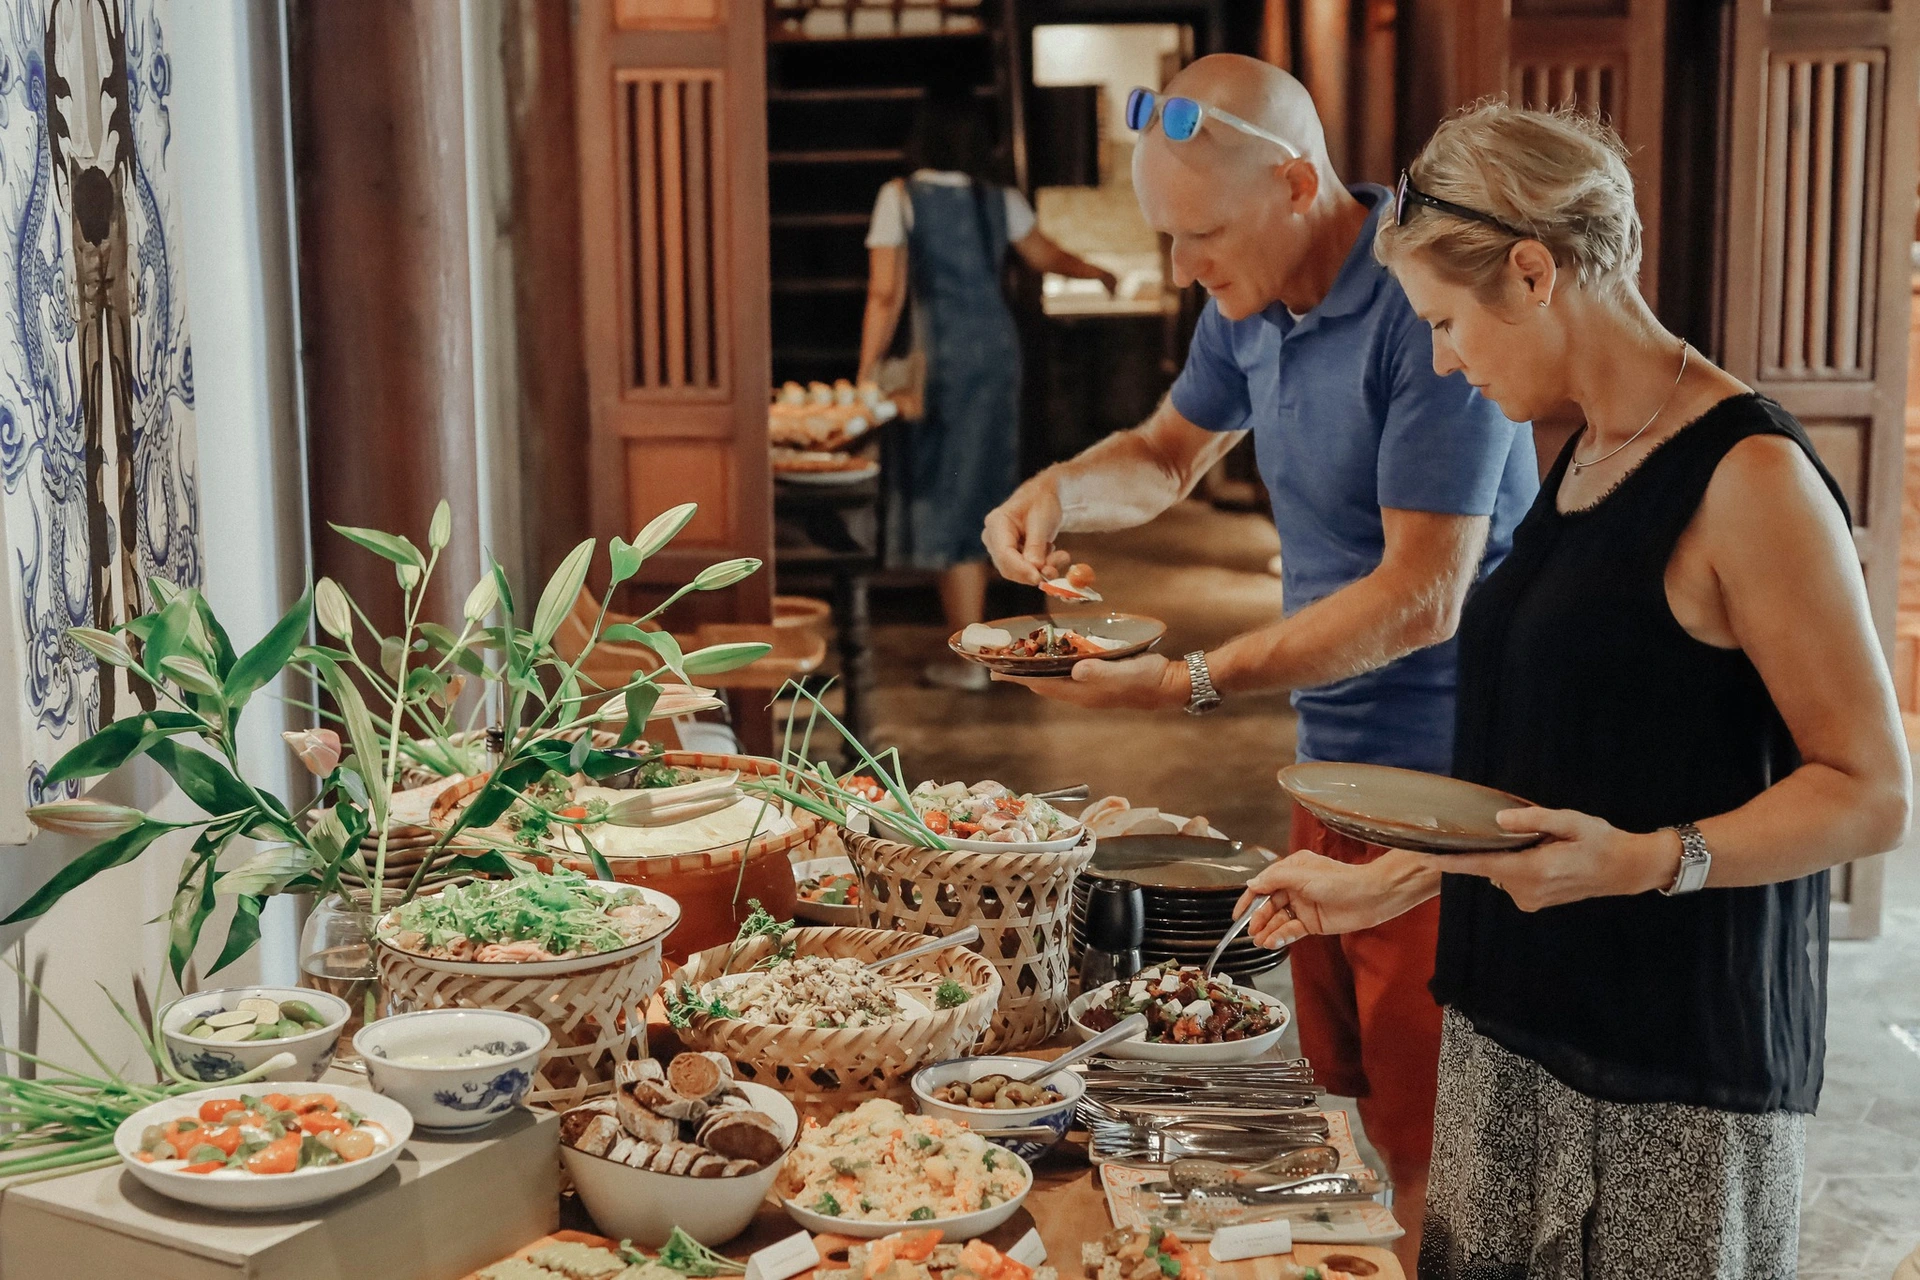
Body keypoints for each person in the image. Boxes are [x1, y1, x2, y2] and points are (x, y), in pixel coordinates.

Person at [1238, 103, 1911, 1278]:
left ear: (1535, 272)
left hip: (1667, 1072)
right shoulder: (1589, 447)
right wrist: (1389, 881)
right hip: (1515, 1035)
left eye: (1446, 322)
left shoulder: (1748, 476)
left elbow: (1871, 792)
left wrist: (1648, 858)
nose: (1443, 358)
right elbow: (1560, 777)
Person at [981, 55, 1537, 1264]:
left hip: (1450, 792)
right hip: (1328, 768)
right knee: (1327, 1095)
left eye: (1200, 235)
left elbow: (1424, 598)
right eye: (1166, 239)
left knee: (1427, 1132)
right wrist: (1057, 492)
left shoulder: (1430, 305)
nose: (1182, 269)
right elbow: (1170, 451)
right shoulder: (1255, 295)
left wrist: (1190, 680)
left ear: (1295, 184)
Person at [859, 90, 1115, 693]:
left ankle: (971, 650)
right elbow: (1043, 253)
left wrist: (867, 370)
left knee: (949, 492)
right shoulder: (996, 199)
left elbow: (885, 293)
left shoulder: (899, 198)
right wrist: (1096, 270)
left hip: (940, 359)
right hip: (997, 356)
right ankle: (983, 638)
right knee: (982, 485)